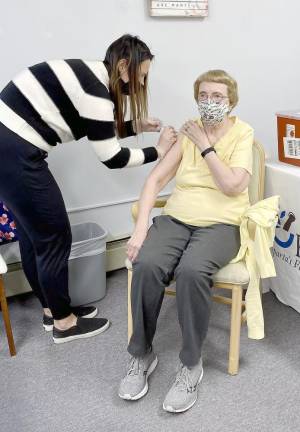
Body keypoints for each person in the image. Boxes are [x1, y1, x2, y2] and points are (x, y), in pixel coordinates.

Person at [0, 34, 176, 344]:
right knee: (54, 235)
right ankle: (64, 324)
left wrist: (137, 125)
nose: (142, 83)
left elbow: (94, 126)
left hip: (8, 145)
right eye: (142, 74)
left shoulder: (90, 75)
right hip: (14, 150)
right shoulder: (97, 92)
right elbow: (112, 157)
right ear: (124, 66)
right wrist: (158, 152)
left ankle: (52, 311)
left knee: (34, 235)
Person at [119, 70, 254, 413]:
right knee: (146, 263)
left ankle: (191, 364)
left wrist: (205, 146)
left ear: (231, 102)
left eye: (218, 97)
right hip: (177, 218)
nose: (210, 102)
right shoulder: (188, 130)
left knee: (193, 271)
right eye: (204, 95)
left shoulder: (241, 133)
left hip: (222, 224)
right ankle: (142, 355)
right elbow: (155, 179)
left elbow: (233, 186)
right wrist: (140, 228)